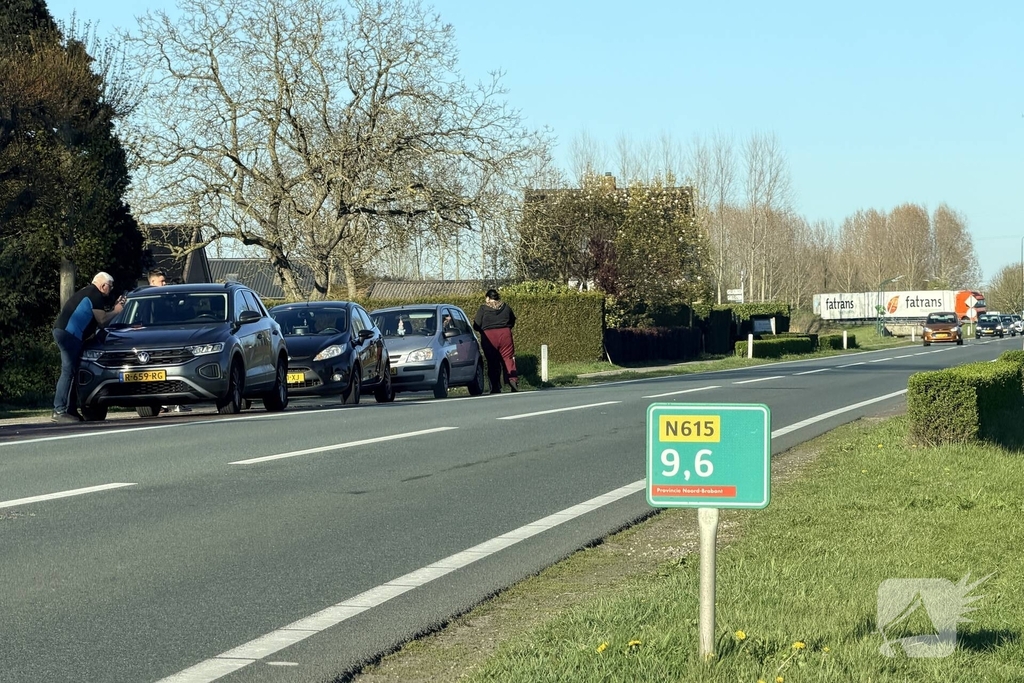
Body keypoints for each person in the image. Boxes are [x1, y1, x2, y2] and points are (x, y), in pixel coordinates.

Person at [51, 272, 124, 422]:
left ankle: (70, 410)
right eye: (110, 287)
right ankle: (59, 410)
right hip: (69, 334)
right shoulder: (95, 294)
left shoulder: (87, 291)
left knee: (72, 371)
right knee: (68, 371)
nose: (110, 290)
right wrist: (117, 311)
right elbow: (102, 320)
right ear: (104, 286)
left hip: (64, 332)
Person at [473, 288, 518, 393]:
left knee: (492, 362)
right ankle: (513, 380)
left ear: (488, 298)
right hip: (505, 334)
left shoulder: (483, 309)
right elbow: (512, 320)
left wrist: (482, 330)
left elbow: (476, 325)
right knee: (508, 358)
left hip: (489, 336)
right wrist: (507, 328)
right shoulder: (506, 307)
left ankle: (496, 386)